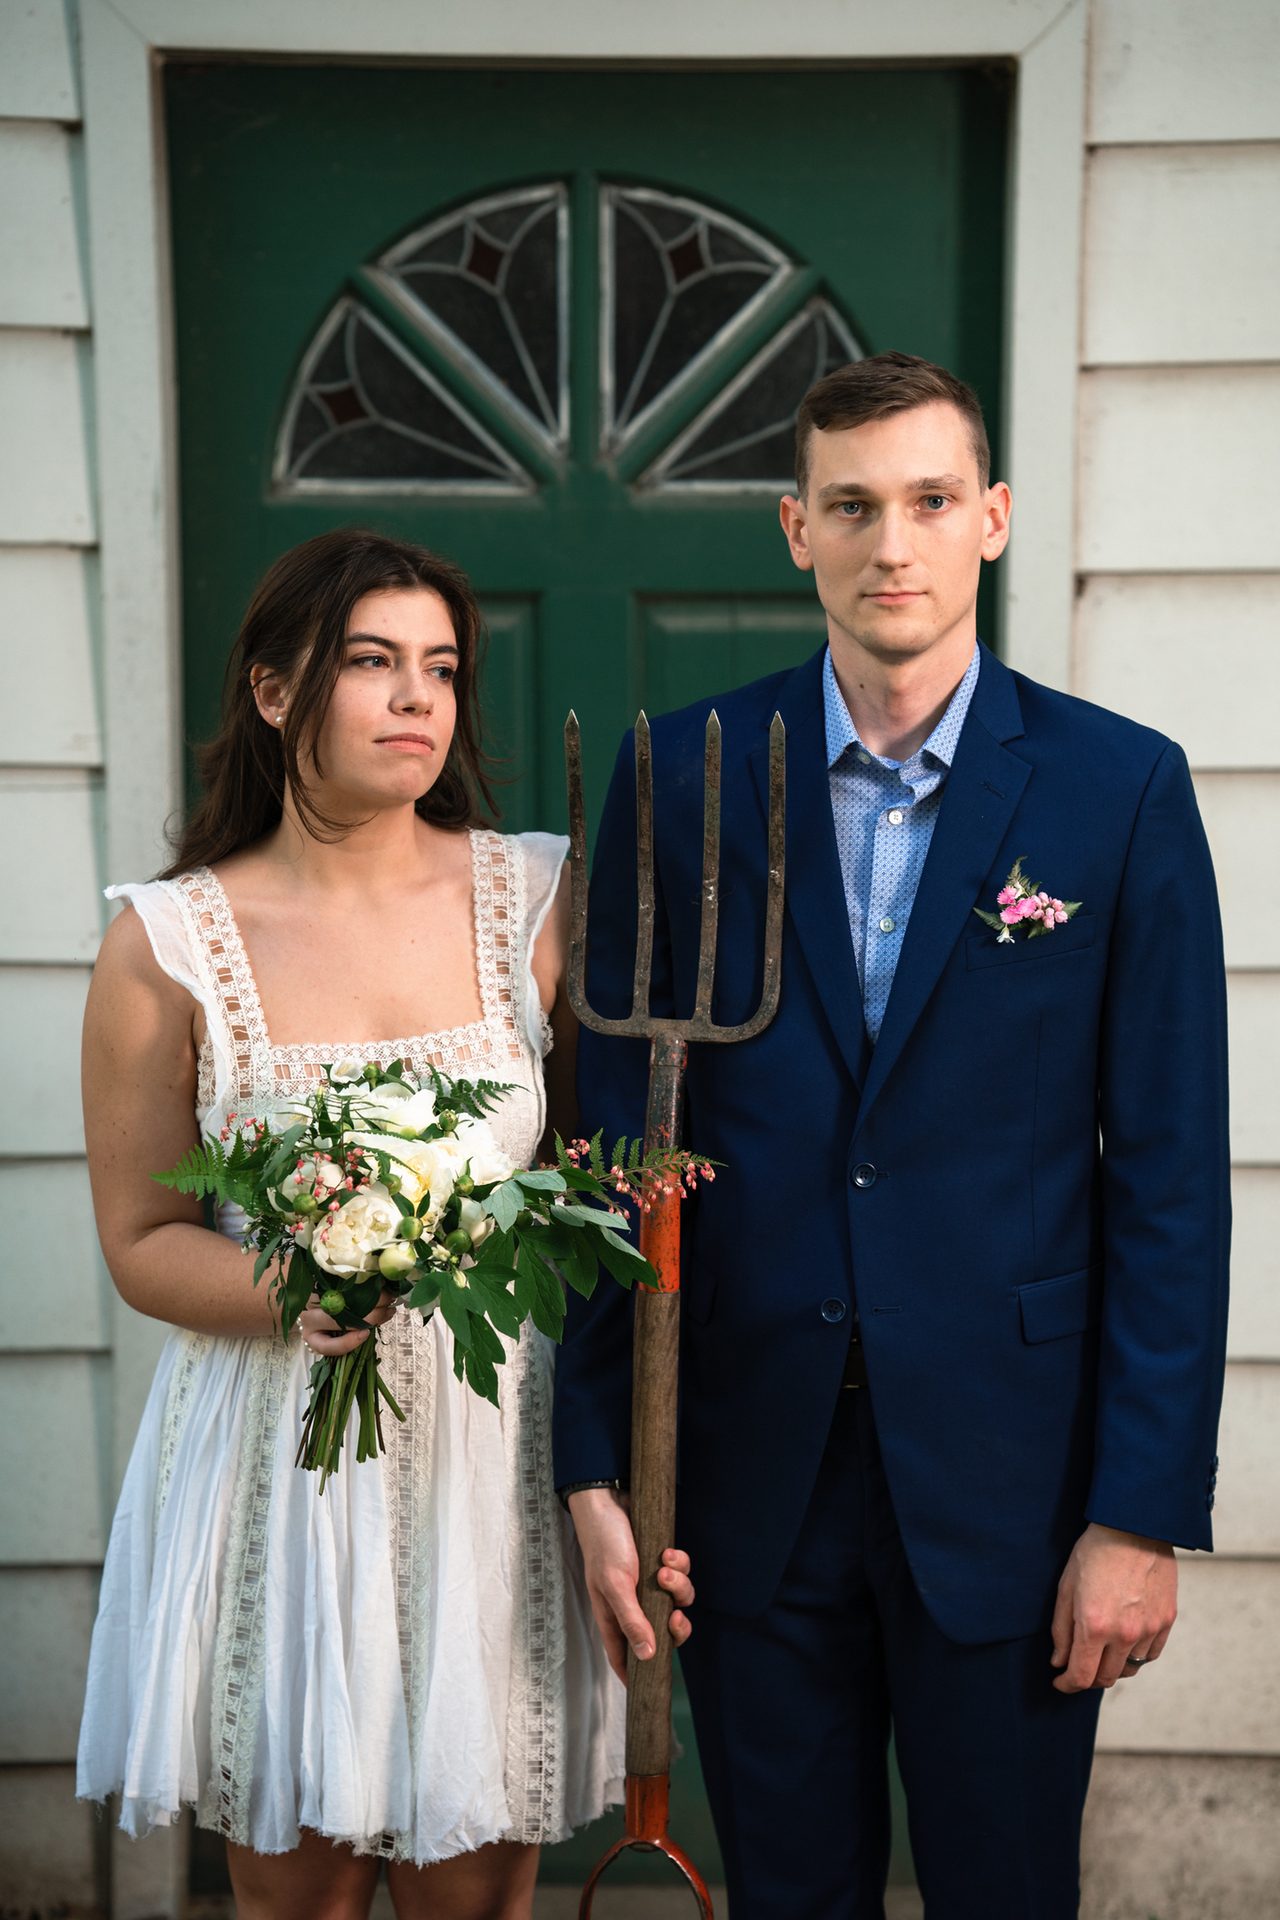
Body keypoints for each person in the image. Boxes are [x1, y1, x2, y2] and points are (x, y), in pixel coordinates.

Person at [554, 353, 1230, 1917]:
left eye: (931, 500)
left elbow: (1174, 1185)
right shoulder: (684, 777)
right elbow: (607, 1163)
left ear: (991, 517)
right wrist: (599, 1467)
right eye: (850, 506)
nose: (893, 543)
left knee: (1004, 1892)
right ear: (798, 530)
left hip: (1017, 1480)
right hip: (744, 1484)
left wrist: (1138, 1510)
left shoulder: (1115, 791)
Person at [76, 528, 694, 1920]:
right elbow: (141, 1240)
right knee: (296, 1897)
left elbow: (613, 1188)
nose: (420, 698)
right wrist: (303, 1291)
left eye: (443, 668)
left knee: (475, 1901)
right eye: (372, 663)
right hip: (279, 1467)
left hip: (491, 1455)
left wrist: (616, 1473)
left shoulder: (535, 899)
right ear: (275, 689)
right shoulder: (165, 948)